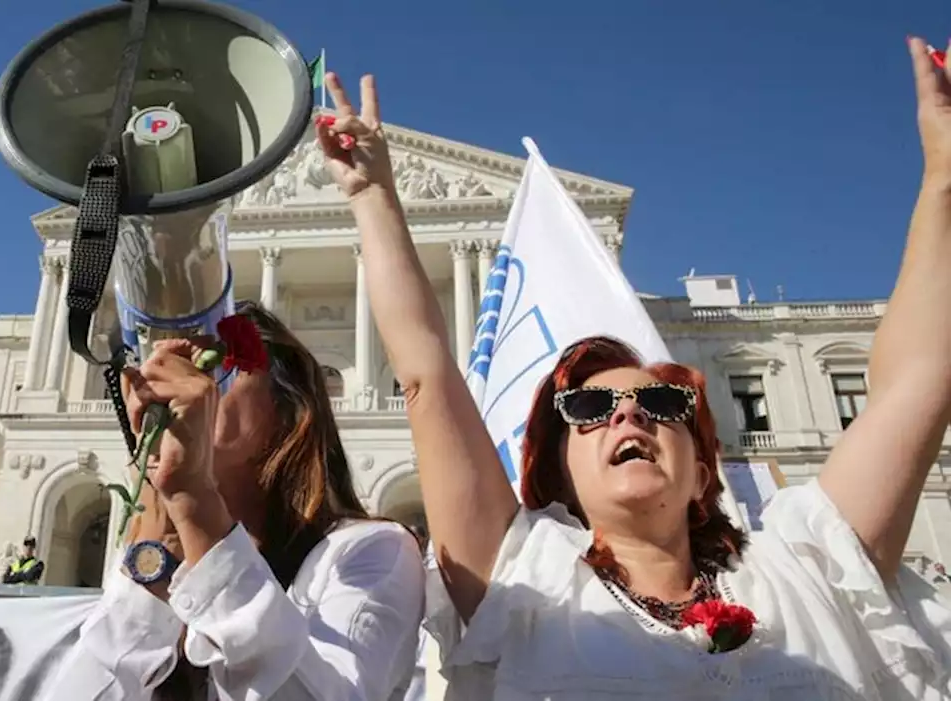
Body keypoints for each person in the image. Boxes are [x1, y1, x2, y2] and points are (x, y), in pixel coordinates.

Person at [317, 37, 951, 700]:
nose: (627, 413)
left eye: (663, 405)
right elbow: (425, 373)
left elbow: (917, 383)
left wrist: (943, 177)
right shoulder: (522, 582)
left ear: (703, 468)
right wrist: (374, 199)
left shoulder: (807, 564)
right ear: (559, 470)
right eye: (589, 410)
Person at [41, 300, 425, 700]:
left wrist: (195, 500)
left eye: (214, 363)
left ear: (288, 410)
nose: (187, 384)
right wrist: (159, 546)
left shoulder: (370, 552)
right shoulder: (151, 563)